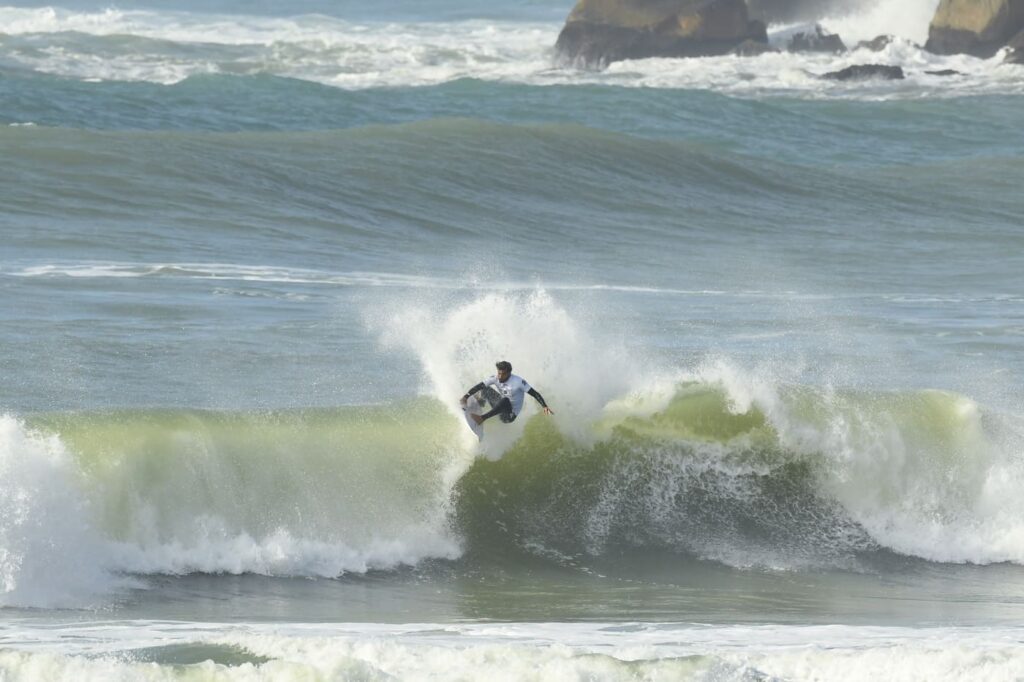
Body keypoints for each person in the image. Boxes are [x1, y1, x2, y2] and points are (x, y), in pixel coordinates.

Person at [460, 360, 553, 425]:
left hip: (509, 415)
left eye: (503, 374)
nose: (500, 376)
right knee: (485, 389)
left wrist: (544, 406)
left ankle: (481, 419)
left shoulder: (518, 382)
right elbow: (480, 385)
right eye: (499, 373)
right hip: (501, 405)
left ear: (509, 373)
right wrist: (466, 396)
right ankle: (479, 404)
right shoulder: (496, 378)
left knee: (505, 400)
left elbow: (534, 393)